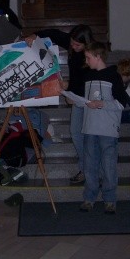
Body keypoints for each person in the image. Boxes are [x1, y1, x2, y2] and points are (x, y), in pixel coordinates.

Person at [25, 24, 95, 184]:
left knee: (89, 137)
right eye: (72, 43)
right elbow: (54, 34)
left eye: (78, 45)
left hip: (91, 99)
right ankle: (85, 170)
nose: (73, 46)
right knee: (76, 133)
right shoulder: (72, 43)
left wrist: (70, 88)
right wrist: (35, 35)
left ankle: (91, 171)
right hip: (77, 97)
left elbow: (89, 79)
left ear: (87, 44)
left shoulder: (93, 53)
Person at [80, 42, 128, 214]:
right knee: (90, 165)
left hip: (107, 128)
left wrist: (101, 103)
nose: (86, 61)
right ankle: (89, 198)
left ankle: (109, 199)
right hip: (90, 127)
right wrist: (70, 97)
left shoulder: (114, 75)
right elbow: (81, 98)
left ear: (98, 56)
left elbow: (121, 103)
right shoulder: (86, 75)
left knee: (108, 166)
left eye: (88, 57)